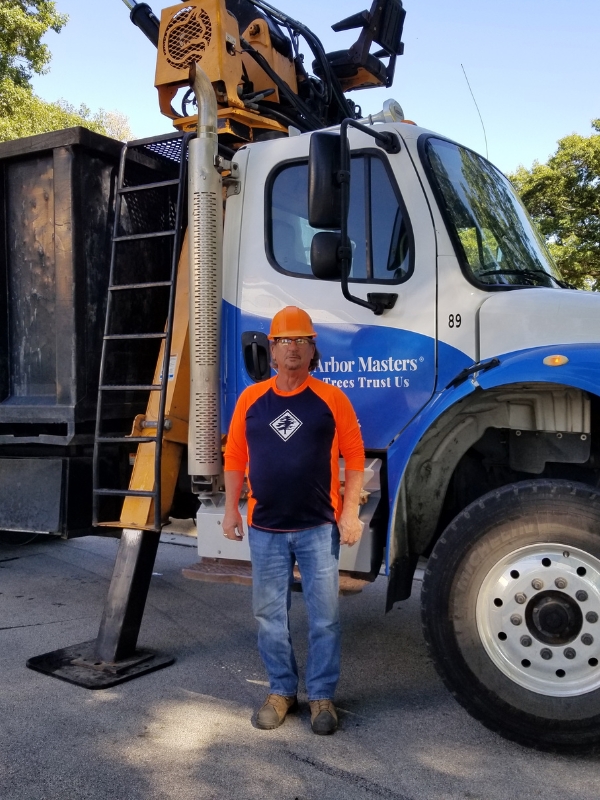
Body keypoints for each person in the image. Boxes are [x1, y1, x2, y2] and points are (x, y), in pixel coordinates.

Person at [222, 306, 364, 735]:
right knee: (270, 616)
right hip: (265, 527)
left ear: (313, 348)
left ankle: (321, 696)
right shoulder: (251, 399)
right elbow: (234, 457)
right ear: (271, 348)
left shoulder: (331, 399)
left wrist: (352, 511)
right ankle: (282, 692)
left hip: (319, 527)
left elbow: (354, 459)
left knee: (325, 617)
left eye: (302, 340)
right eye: (285, 341)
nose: (293, 349)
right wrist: (231, 508)